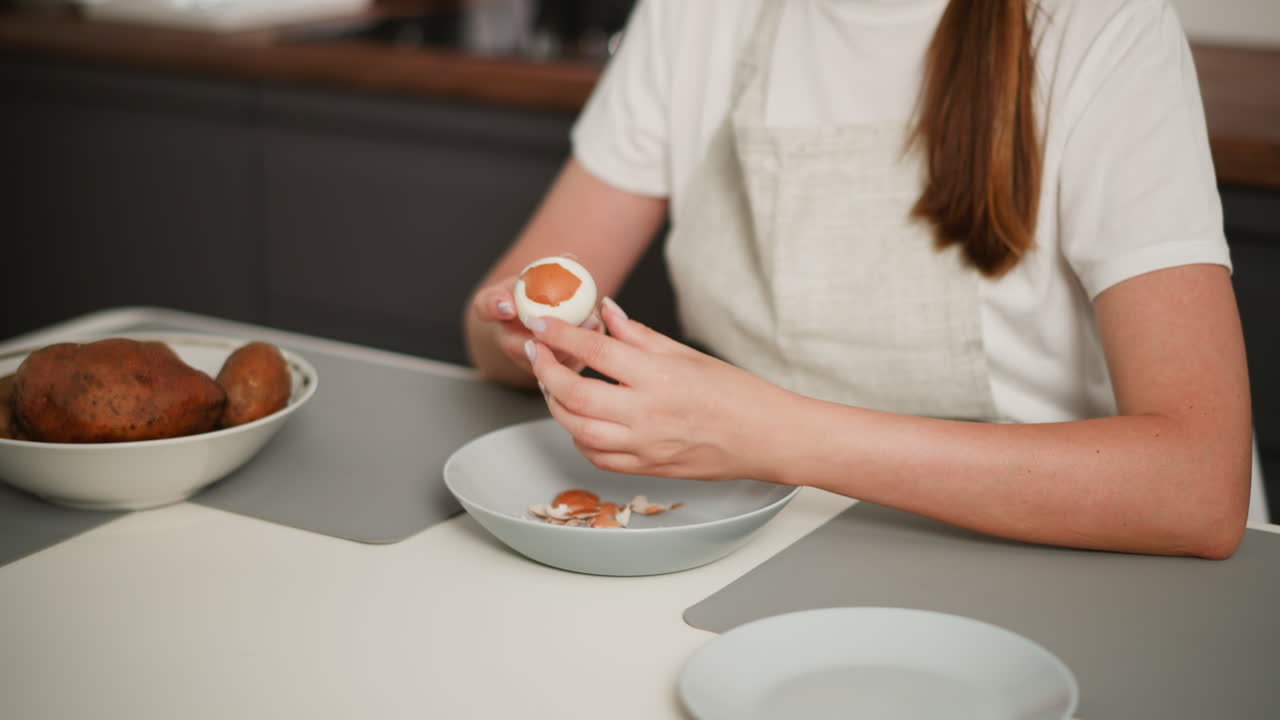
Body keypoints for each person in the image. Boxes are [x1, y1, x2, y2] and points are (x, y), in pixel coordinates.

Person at [464, 0, 1266, 559]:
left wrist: (771, 434)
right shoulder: (693, 13)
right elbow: (491, 327)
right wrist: (534, 342)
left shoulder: (1106, 29)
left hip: (1053, 552)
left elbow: (1198, 487)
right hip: (762, 536)